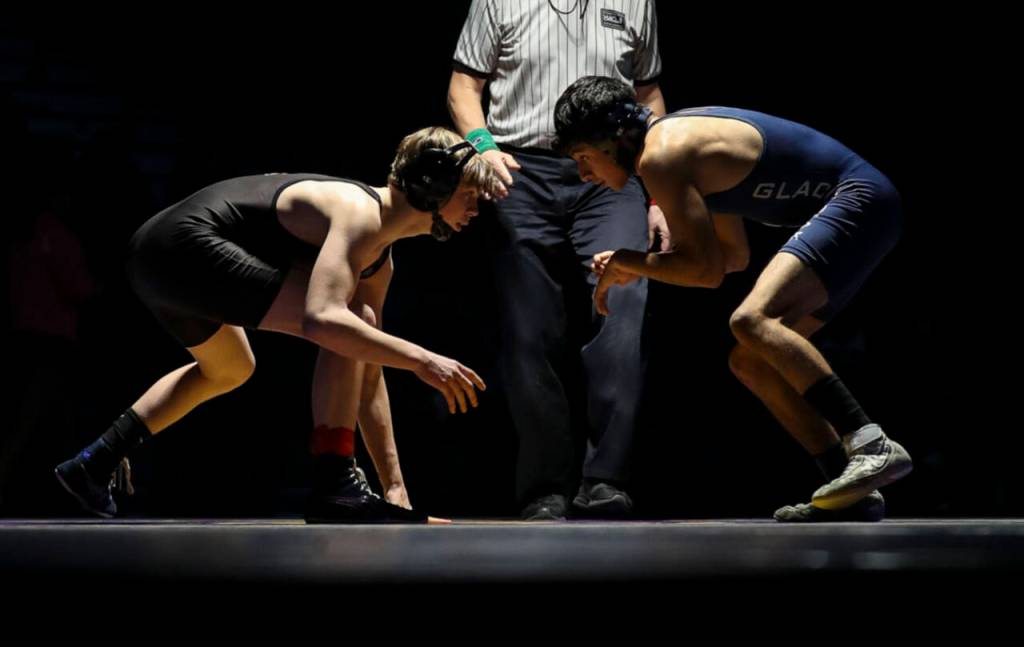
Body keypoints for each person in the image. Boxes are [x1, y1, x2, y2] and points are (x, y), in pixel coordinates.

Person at [54, 127, 496, 524]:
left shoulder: (380, 261)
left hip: (158, 255)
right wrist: (422, 359)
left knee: (230, 368)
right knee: (346, 321)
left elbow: (367, 367)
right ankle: (334, 482)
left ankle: (96, 460)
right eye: (468, 193)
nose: (475, 209)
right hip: (179, 247)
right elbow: (324, 321)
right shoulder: (359, 212)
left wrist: (396, 488)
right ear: (431, 185)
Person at [553, 76, 912, 521]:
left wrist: (630, 261)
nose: (584, 175)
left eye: (583, 158)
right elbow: (730, 259)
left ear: (614, 139)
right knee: (751, 359)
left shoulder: (661, 154)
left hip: (859, 198)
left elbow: (704, 273)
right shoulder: (681, 152)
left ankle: (870, 443)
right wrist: (637, 264)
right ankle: (850, 489)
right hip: (867, 206)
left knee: (752, 320)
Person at [447, 0, 667, 520]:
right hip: (520, 169)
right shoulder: (497, 3)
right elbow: (464, 86)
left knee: (624, 303)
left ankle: (606, 479)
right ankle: (544, 487)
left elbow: (649, 95)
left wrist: (658, 195)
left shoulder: (635, 3)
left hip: (611, 174)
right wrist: (480, 146)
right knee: (529, 328)